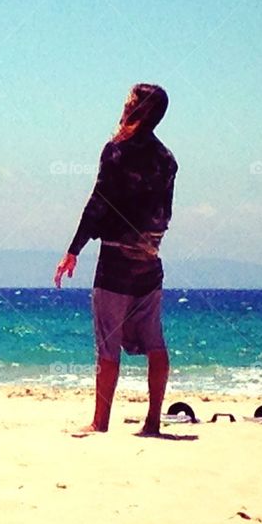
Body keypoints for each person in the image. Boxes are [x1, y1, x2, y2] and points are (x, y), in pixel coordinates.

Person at [54, 83, 178, 436]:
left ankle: (100, 422)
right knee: (154, 340)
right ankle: (152, 422)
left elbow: (99, 203)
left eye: (129, 102)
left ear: (139, 111)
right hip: (150, 260)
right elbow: (164, 213)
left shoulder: (117, 151)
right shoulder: (167, 159)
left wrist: (73, 249)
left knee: (108, 342)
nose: (123, 105)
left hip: (116, 261)